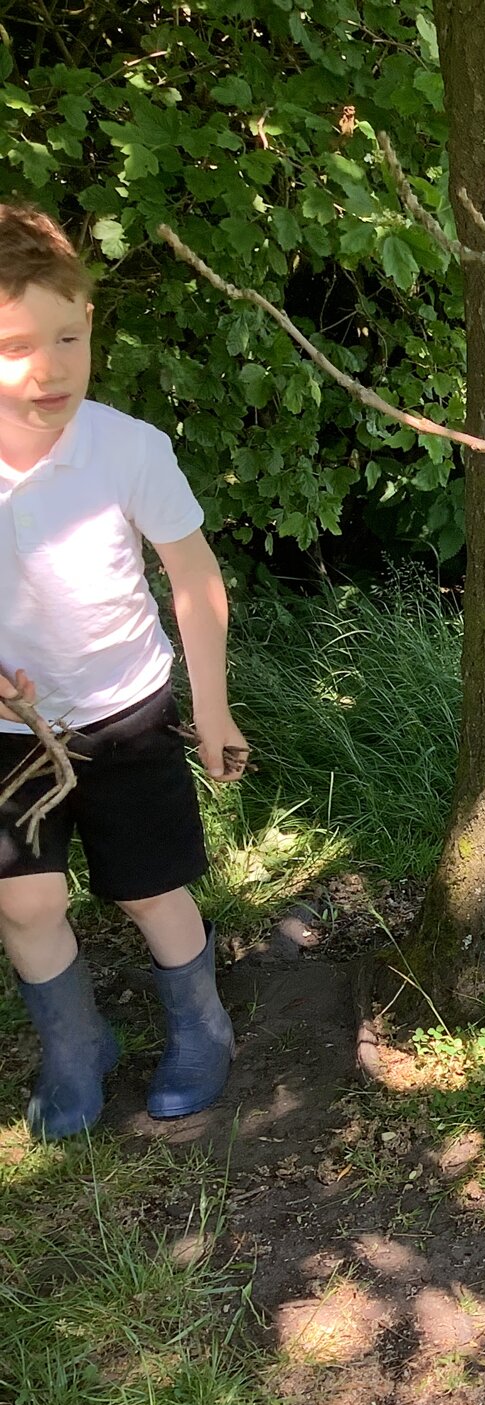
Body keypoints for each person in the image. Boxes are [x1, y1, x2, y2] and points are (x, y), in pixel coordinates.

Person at [0, 203, 247, 1140]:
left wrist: (213, 709)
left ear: (90, 323)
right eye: (15, 345)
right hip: (12, 735)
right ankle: (74, 1046)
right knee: (20, 900)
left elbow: (193, 575)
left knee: (150, 886)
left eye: (66, 336)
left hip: (125, 713)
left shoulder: (129, 449)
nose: (48, 366)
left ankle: (201, 1026)